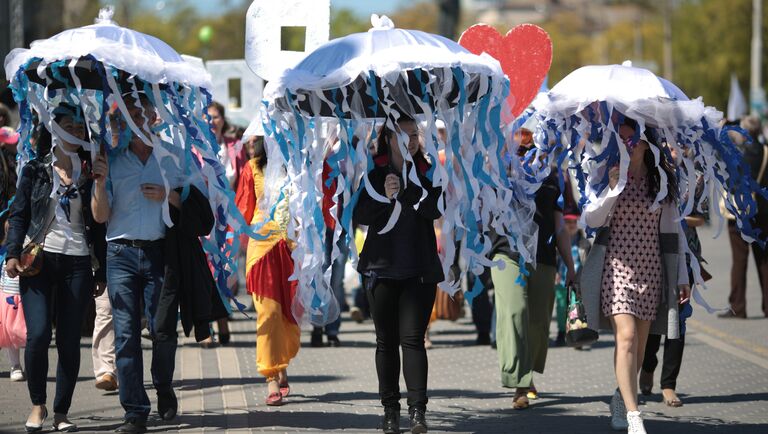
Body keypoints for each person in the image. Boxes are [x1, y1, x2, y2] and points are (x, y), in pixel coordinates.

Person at [91, 92, 193, 433]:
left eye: (143, 111)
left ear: (155, 116)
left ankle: (163, 386)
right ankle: (135, 410)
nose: (137, 117)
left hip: (158, 253)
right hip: (119, 253)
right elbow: (100, 215)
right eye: (130, 112)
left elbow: (197, 210)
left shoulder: (173, 158)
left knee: (163, 330)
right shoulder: (112, 160)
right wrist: (100, 185)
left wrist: (169, 195)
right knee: (126, 334)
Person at [580, 118, 690, 434]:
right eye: (623, 140)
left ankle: (621, 396)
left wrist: (682, 275)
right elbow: (592, 218)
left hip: (651, 269)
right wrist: (613, 189)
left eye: (633, 140)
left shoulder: (662, 183)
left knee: (639, 347)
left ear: (646, 143)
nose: (628, 145)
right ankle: (633, 414)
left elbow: (674, 233)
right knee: (625, 337)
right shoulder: (607, 175)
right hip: (615, 270)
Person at [5, 105, 107, 432]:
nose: (77, 133)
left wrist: (100, 270)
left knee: (68, 340)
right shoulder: (36, 169)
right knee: (36, 336)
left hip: (77, 262)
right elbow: (19, 214)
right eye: (69, 127)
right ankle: (38, 405)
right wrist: (11, 254)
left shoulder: (91, 169)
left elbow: (101, 223)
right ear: (55, 129)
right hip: (38, 261)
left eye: (81, 128)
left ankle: (62, 412)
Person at [354, 116, 443, 434]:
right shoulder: (374, 174)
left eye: (414, 134)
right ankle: (390, 412)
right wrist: (385, 197)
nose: (411, 140)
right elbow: (360, 215)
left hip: (419, 269)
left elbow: (436, 208)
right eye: (403, 135)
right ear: (388, 139)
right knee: (385, 342)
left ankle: (418, 413)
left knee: (413, 341)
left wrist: (408, 194)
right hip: (380, 269)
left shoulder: (429, 171)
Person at [488, 126, 576, 410]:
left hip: (543, 256)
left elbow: (560, 227)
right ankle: (519, 382)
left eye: (528, 147)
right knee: (515, 312)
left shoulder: (552, 178)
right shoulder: (498, 173)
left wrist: (572, 268)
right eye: (519, 147)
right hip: (506, 253)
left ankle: (527, 371)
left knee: (539, 321)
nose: (523, 152)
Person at [640, 147, 707, 407]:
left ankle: (669, 384)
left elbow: (701, 219)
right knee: (653, 317)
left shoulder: (695, 177)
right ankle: (647, 365)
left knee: (678, 320)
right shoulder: (651, 172)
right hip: (653, 254)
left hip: (686, 256)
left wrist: (678, 218)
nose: (671, 148)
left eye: (676, 143)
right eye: (666, 142)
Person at [235, 138, 300, 406]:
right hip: (261, 249)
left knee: (288, 314)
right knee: (268, 313)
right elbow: (243, 211)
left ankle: (281, 364)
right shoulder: (252, 168)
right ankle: (271, 376)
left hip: (291, 249)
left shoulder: (297, 168)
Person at [719, 117, 768, 319]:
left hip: (739, 213)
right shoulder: (766, 151)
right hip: (763, 213)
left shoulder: (737, 154)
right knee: (764, 260)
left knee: (740, 260)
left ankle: (738, 307)